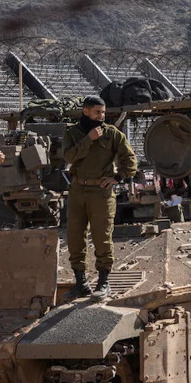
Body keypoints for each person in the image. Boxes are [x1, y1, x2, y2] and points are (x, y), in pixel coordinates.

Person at [61, 95, 138, 300]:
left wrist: (117, 177)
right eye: (97, 112)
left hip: (101, 193)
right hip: (77, 191)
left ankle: (104, 283)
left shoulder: (113, 134)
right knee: (75, 238)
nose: (101, 116)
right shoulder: (73, 133)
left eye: (103, 112)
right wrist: (89, 139)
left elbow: (130, 161)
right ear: (85, 111)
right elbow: (68, 157)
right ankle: (81, 283)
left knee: (102, 238)